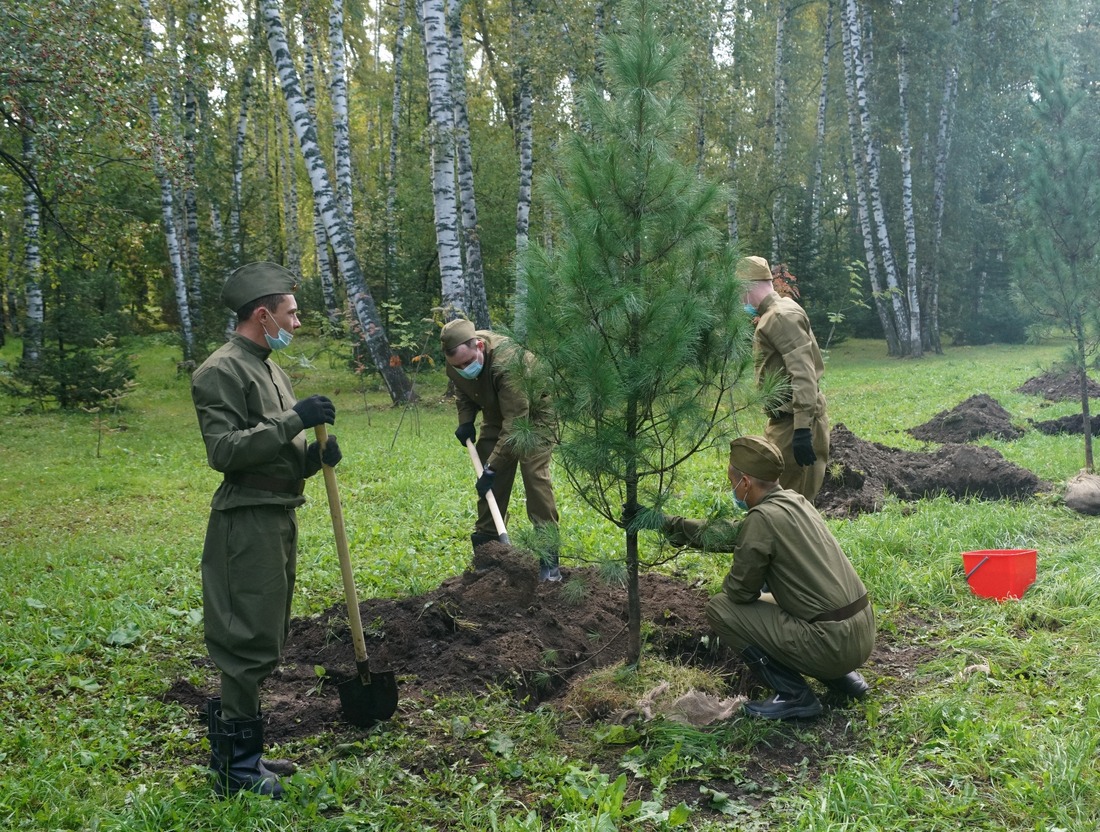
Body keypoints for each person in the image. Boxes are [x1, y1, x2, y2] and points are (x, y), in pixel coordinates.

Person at [191, 261, 343, 798]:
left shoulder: (270, 367)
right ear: (263, 313)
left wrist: (311, 458)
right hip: (245, 522)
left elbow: (274, 450)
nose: (296, 322)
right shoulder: (220, 371)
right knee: (244, 641)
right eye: (291, 312)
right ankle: (236, 771)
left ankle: (244, 753)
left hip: (278, 513)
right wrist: (294, 421)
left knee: (267, 635)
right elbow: (225, 451)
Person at [656, 436, 874, 720]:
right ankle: (843, 679)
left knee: (721, 608)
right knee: (791, 598)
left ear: (745, 483)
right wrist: (667, 524)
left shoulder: (761, 521)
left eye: (731, 481)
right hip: (861, 633)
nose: (732, 489)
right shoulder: (796, 502)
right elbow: (735, 532)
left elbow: (739, 593)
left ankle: (794, 695)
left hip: (830, 646)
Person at [440, 318, 561, 581]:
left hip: (535, 416)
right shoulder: (456, 362)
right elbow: (463, 389)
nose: (463, 368)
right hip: (497, 413)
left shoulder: (508, 363)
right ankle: (489, 549)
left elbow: (516, 425)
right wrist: (465, 422)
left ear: (479, 346)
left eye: (466, 363)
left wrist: (492, 467)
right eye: (457, 366)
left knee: (534, 476)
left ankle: (548, 555)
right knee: (489, 481)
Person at [739, 255, 829, 503]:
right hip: (783, 422)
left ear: (747, 286)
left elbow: (803, 374)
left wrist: (801, 431)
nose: (738, 299)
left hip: (793, 424)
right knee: (778, 502)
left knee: (789, 505)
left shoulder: (780, 316)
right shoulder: (775, 313)